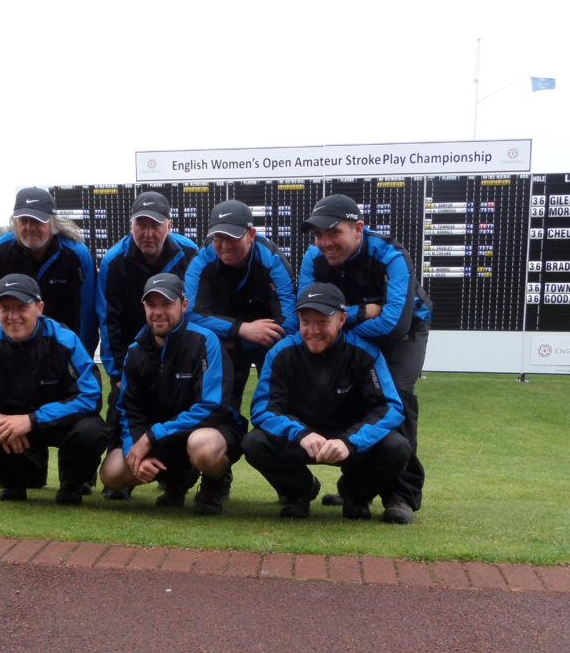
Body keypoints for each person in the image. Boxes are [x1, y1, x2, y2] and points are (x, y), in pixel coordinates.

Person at [297, 194, 432, 524]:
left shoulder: (391, 255)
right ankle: (357, 487)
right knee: (353, 398)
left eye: (334, 232)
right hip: (346, 330)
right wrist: (361, 312)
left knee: (396, 396)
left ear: (358, 228)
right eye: (318, 234)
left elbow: (393, 325)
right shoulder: (313, 257)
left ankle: (401, 495)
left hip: (404, 333)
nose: (325, 242)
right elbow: (302, 311)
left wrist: (340, 327)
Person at [243, 282, 412, 521]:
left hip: (350, 439)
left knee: (397, 447)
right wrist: (300, 433)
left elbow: (389, 407)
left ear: (341, 319)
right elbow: (263, 409)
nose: (313, 330)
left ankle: (354, 494)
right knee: (254, 443)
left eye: (322, 321)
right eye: (306, 321)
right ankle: (299, 492)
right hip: (302, 438)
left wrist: (350, 441)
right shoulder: (280, 353)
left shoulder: (365, 352)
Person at [0, 274, 107, 505]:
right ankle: (17, 478)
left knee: (92, 430)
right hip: (8, 426)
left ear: (39, 308)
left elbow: (90, 397)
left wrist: (32, 420)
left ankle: (73, 483)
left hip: (56, 423)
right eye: (5, 308)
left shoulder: (65, 340)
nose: (13, 316)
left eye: (21, 307)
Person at [98, 273, 244, 516]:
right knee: (112, 474)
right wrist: (135, 451)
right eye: (151, 304)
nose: (158, 312)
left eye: (166, 304)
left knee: (203, 447)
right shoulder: (135, 352)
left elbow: (211, 407)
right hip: (162, 437)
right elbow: (128, 410)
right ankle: (176, 478)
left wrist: (152, 436)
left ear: (183, 305)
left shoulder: (205, 341)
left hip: (209, 431)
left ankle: (214, 482)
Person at [95, 191, 198, 499]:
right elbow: (109, 318)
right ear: (131, 226)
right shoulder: (114, 260)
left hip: (179, 348)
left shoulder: (190, 253)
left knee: (183, 409)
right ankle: (124, 474)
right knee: (121, 404)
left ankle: (182, 478)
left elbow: (195, 309)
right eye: (141, 225)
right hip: (134, 351)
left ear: (169, 225)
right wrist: (117, 372)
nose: (148, 233)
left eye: (155, 225)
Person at [184, 199, 297, 415]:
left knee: (277, 408)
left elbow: (290, 322)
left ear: (251, 234)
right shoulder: (202, 259)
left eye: (232, 238)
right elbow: (191, 313)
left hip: (265, 342)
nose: (225, 246)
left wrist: (240, 340)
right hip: (227, 343)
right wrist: (242, 330)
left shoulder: (272, 259)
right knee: (221, 413)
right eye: (218, 238)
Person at [0, 187, 97, 357]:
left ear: (52, 222)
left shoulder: (76, 254)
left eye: (37, 221)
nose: (29, 227)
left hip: (65, 350)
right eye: (23, 220)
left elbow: (87, 314)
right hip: (18, 350)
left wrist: (82, 358)